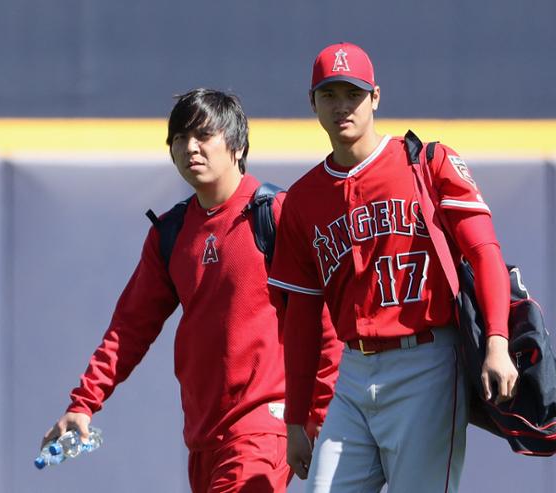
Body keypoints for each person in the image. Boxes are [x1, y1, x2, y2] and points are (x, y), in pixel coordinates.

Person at [41, 88, 341, 493]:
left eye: (203, 136)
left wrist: (313, 418)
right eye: (180, 138)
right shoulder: (171, 234)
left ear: (236, 145)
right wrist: (84, 402)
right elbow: (128, 329)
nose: (190, 148)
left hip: (262, 430)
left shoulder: (275, 215)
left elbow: (326, 324)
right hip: (203, 439)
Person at [268, 43, 519, 492]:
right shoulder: (303, 199)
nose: (342, 106)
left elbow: (486, 253)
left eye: (353, 93)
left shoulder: (426, 161)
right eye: (329, 94)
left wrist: (497, 342)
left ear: (376, 98)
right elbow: (303, 318)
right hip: (353, 373)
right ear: (312, 103)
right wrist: (296, 419)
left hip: (426, 362)